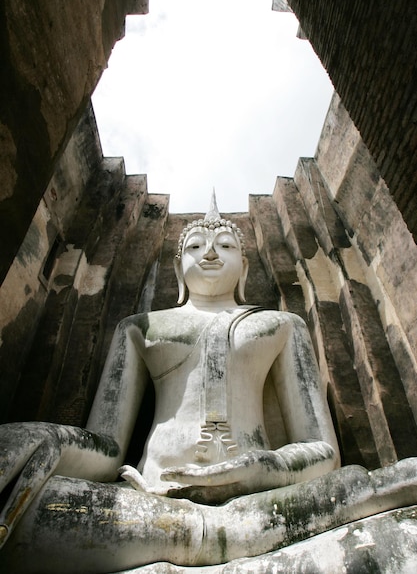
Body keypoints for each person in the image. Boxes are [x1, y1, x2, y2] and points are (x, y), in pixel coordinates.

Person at [0, 195, 415, 573]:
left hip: (264, 501)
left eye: (226, 246)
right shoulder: (140, 328)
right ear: (179, 267)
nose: (211, 252)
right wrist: (47, 440)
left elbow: (324, 453)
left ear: (244, 267)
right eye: (195, 246)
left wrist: (264, 468)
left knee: (382, 509)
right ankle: (214, 534)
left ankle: (212, 535)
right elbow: (108, 450)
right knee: (38, 505)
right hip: (151, 500)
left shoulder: (282, 325)